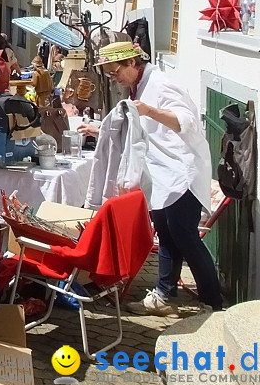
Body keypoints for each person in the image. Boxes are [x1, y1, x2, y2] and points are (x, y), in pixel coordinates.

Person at [83, 41, 222, 314]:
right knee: (168, 236)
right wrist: (101, 130)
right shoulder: (138, 86)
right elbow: (138, 131)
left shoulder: (161, 83)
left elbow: (187, 121)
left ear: (133, 63)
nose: (115, 78)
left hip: (182, 173)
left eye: (116, 72)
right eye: (110, 74)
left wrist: (149, 110)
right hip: (160, 175)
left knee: (185, 237)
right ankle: (163, 295)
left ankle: (213, 301)